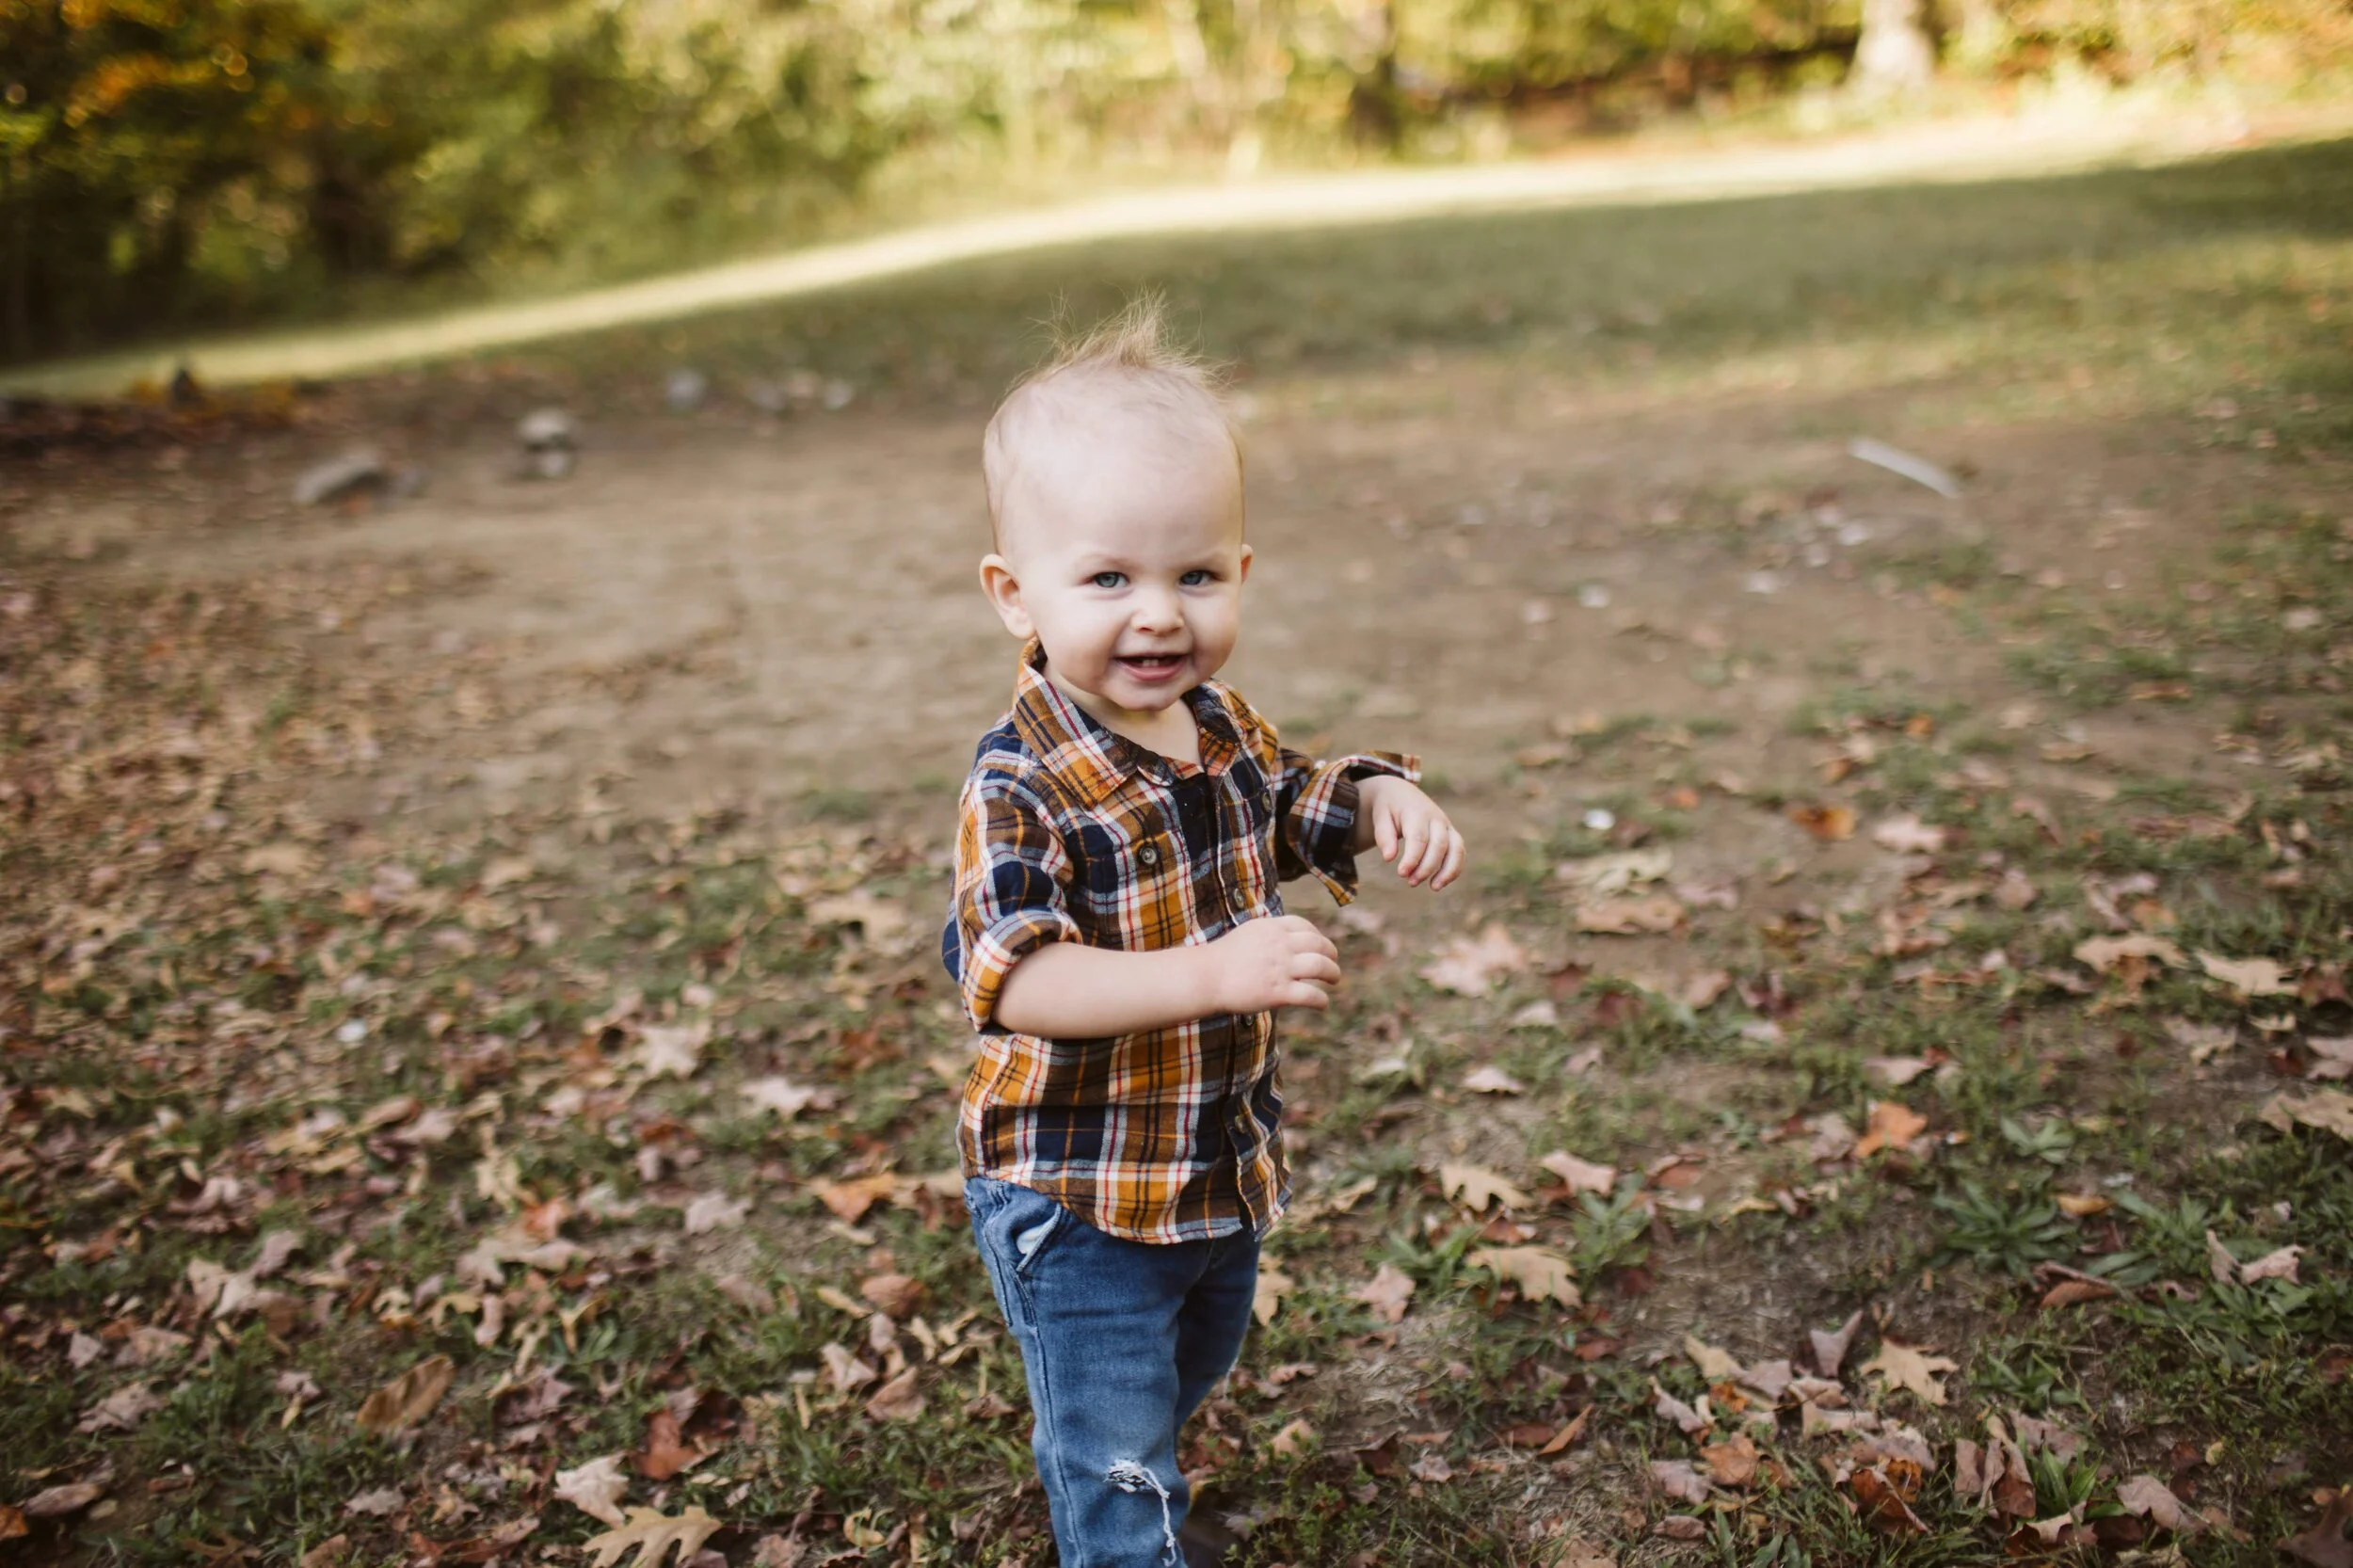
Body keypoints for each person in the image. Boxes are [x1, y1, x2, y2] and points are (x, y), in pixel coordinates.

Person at [940, 298, 1465, 1567]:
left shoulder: (1217, 724)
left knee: (1195, 1356)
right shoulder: (1022, 788)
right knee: (1115, 1438)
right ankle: (1120, 1518)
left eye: (1194, 573)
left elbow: (1281, 804)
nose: (1158, 614)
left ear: (1242, 572)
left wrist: (1375, 795)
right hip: (1075, 1192)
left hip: (1208, 1165)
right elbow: (1019, 977)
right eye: (1109, 577)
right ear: (1018, 596)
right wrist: (1213, 970)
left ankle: (1127, 1472)